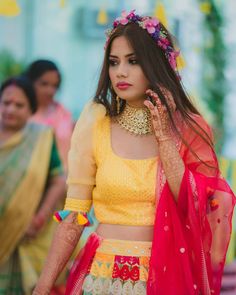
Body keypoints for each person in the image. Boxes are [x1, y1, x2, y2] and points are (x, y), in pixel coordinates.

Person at [33, 10, 235, 295]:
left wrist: (165, 136)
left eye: (133, 61)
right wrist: (43, 286)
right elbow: (75, 214)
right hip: (100, 276)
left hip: (164, 275)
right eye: (114, 62)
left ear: (157, 63)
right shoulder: (96, 122)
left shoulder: (188, 128)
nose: (120, 72)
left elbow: (196, 206)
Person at [0, 76, 66, 294]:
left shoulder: (41, 139)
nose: (10, 109)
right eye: (6, 102)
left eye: (19, 105)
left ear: (31, 110)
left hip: (23, 235)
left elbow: (58, 180)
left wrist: (40, 217)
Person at [25, 59, 74, 171]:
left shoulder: (63, 113)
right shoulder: (21, 114)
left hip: (65, 180)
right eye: (44, 84)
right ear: (30, 82)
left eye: (54, 86)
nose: (50, 91)